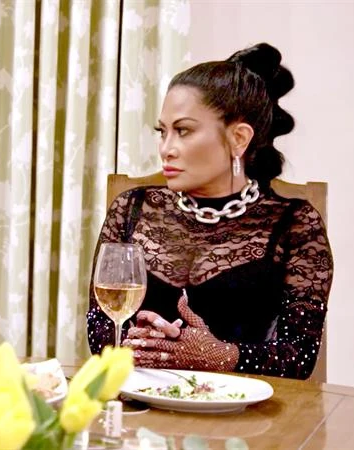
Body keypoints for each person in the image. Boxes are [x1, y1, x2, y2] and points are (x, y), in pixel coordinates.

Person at [86, 43, 333, 380]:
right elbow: (100, 326)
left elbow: (298, 358)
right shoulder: (132, 208)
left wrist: (219, 355)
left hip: (246, 408)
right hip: (140, 401)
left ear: (238, 139)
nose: (166, 149)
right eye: (162, 132)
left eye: (183, 131)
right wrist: (137, 343)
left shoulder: (295, 224)